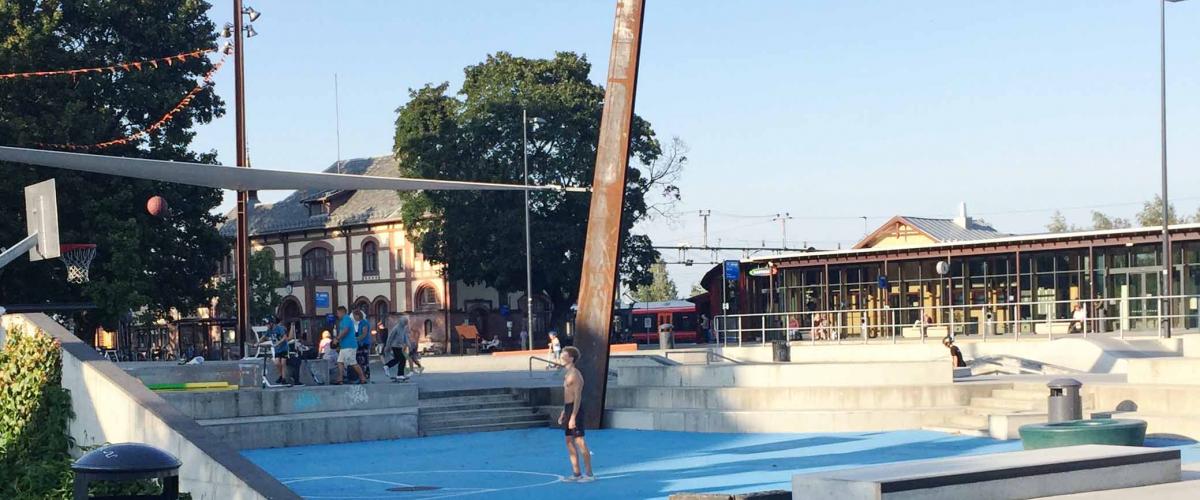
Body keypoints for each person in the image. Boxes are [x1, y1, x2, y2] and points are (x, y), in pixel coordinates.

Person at [558, 346, 593, 482]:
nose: (561, 357)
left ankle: (589, 474)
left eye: (564, 355)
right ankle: (576, 473)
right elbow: (568, 394)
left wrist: (573, 416)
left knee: (579, 441)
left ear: (571, 358)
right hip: (568, 407)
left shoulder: (575, 374)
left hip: (575, 409)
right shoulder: (567, 374)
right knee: (569, 440)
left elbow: (577, 397)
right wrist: (564, 412)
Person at [333, 306, 366, 385]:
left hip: (349, 345)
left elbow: (346, 330)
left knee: (353, 363)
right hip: (344, 346)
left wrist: (337, 338)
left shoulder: (346, 319)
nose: (337, 315)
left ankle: (362, 378)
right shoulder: (343, 321)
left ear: (342, 312)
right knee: (340, 362)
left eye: (338, 313)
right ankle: (340, 379)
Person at [384, 314, 410, 382]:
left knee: (397, 359)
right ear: (402, 322)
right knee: (402, 359)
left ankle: (387, 366)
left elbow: (405, 337)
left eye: (407, 322)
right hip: (394, 345)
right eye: (405, 322)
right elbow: (390, 337)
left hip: (399, 346)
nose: (406, 323)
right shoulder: (396, 328)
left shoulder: (403, 328)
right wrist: (387, 346)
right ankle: (400, 375)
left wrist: (408, 344)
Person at [266, 317, 291, 385]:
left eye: (267, 324)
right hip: (277, 350)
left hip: (284, 348)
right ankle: (281, 376)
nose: (267, 326)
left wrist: (278, 343)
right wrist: (258, 343)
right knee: (277, 363)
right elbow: (264, 336)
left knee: (283, 363)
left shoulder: (280, 328)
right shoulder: (269, 330)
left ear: (272, 323)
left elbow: (284, 337)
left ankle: (284, 379)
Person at [354, 310, 372, 382]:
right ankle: (363, 375)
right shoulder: (360, 323)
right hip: (361, 344)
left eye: (355, 316)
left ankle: (365, 375)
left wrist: (356, 339)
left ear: (358, 315)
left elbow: (364, 334)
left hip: (364, 344)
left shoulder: (364, 323)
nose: (354, 318)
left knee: (364, 360)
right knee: (361, 360)